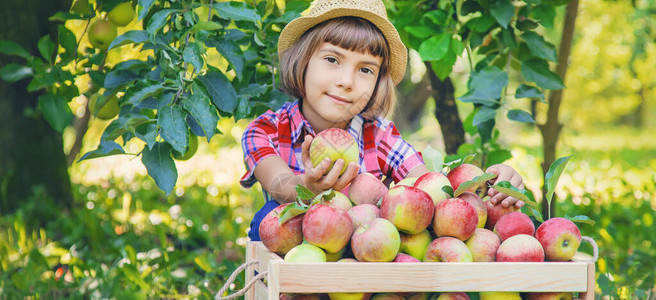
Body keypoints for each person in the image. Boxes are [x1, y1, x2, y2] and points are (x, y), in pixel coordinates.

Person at [239, 0, 524, 241]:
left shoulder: (379, 136)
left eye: (365, 69)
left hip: (364, 261)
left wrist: (485, 185)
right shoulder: (267, 130)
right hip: (295, 261)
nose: (346, 81)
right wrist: (307, 187)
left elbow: (429, 185)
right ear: (302, 61)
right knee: (268, 218)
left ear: (378, 83)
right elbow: (279, 183)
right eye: (332, 60)